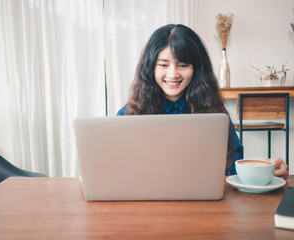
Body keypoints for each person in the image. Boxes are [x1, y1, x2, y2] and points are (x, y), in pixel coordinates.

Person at [117, 24, 288, 179]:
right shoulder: (130, 113)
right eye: (163, 65)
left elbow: (232, 170)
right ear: (150, 68)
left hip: (202, 203)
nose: (173, 74)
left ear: (196, 68)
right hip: (146, 201)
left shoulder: (213, 112)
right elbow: (118, 167)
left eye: (182, 65)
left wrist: (266, 170)